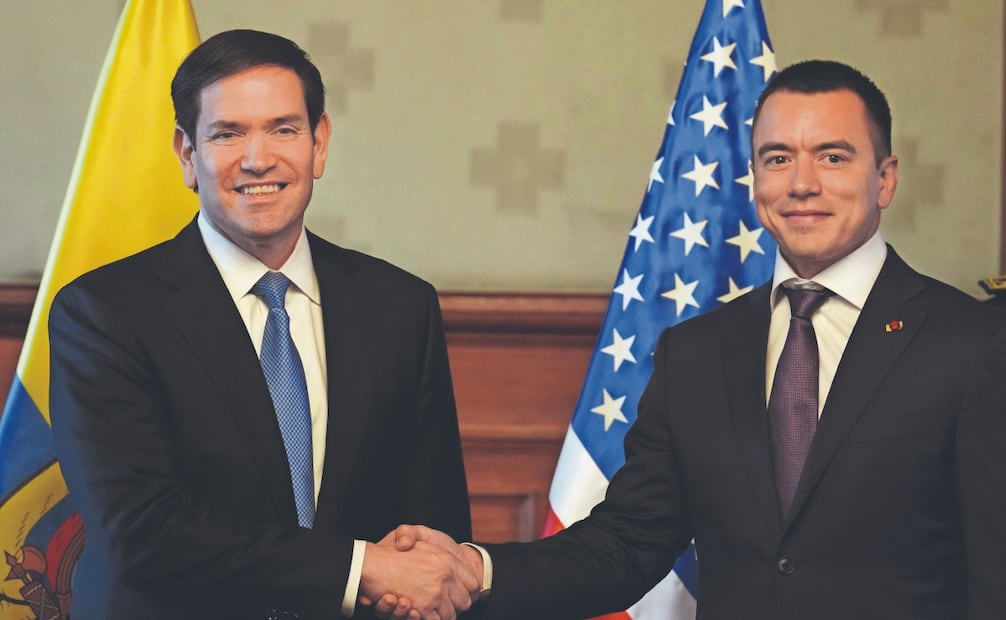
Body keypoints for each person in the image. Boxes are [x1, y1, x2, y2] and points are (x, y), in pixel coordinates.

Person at [380, 60, 1006, 620]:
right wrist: (475, 570)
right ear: (754, 178)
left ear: (886, 178)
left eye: (834, 156)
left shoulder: (972, 344)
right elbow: (628, 542)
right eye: (778, 157)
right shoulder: (698, 353)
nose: (802, 183)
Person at [49, 29, 478, 620]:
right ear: (186, 154)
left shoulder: (401, 305)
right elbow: (143, 534)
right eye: (228, 133)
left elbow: (434, 530)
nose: (258, 159)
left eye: (284, 129)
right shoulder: (103, 312)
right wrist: (362, 568)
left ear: (319, 143)